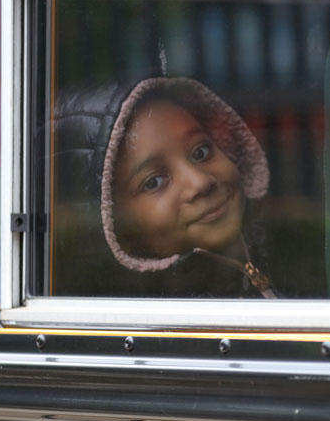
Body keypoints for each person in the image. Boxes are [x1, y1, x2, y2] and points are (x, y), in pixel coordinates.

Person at [53, 75, 276, 298]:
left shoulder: (291, 254)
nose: (201, 182)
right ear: (112, 227)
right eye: (154, 182)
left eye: (201, 152)